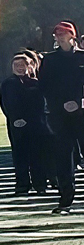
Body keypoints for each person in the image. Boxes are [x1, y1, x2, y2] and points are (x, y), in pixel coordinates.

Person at [39, 22, 84, 214]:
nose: (60, 37)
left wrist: (79, 102)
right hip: (60, 115)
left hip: (82, 113)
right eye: (57, 34)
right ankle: (66, 200)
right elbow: (44, 87)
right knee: (64, 157)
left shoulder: (82, 57)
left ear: (72, 35)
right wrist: (61, 104)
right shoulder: (49, 60)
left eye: (63, 33)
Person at [1, 52, 55, 202]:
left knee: (38, 157)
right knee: (20, 157)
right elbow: (6, 104)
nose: (19, 68)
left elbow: (41, 105)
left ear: (29, 66)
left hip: (36, 125)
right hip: (17, 126)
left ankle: (40, 185)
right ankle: (22, 186)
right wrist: (16, 119)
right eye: (16, 65)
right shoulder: (8, 84)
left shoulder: (36, 84)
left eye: (22, 65)